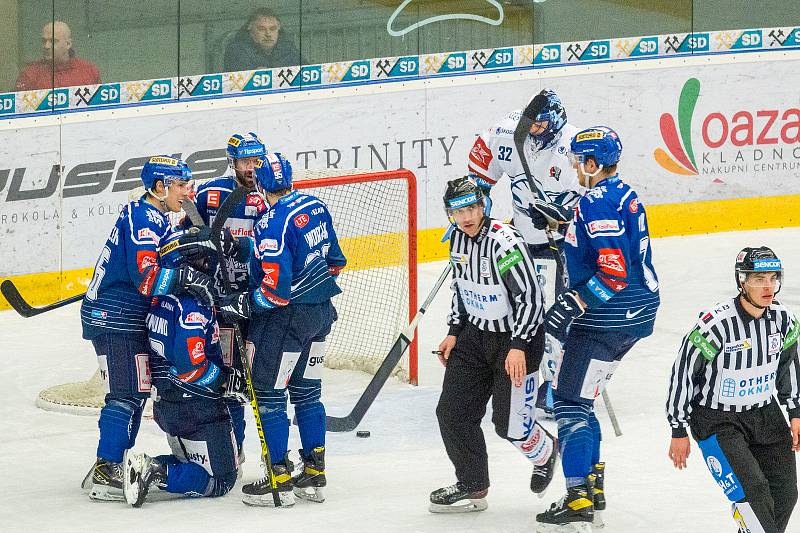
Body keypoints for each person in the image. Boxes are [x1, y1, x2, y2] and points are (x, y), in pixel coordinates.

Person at [536, 126, 660, 532]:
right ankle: (593, 488)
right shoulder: (621, 193)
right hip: (635, 314)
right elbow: (605, 246)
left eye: (578, 162)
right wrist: (563, 228)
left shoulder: (595, 202)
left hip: (607, 317)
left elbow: (614, 272)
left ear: (592, 164)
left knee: (569, 402)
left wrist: (573, 303)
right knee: (582, 397)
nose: (574, 168)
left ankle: (577, 499)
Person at [80, 156, 215, 502]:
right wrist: (188, 278)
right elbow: (147, 278)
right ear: (159, 187)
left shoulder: (154, 217)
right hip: (116, 317)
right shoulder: (143, 217)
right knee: (126, 394)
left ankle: (107, 463)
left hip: (121, 314)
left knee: (134, 393)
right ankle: (105, 468)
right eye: (181, 186)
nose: (188, 192)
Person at [217, 152, 346, 507]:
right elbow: (336, 262)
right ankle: (314, 474)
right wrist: (249, 250)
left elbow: (275, 292)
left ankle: (279, 480)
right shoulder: (315, 206)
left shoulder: (271, 222)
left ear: (261, 183)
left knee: (270, 395)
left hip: (284, 324)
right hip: (320, 317)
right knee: (307, 394)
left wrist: (242, 305)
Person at [430, 175, 557, 514]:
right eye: (459, 212)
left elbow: (529, 297)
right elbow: (461, 287)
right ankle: (473, 483)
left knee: (510, 426)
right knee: (452, 413)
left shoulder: (504, 243)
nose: (467, 217)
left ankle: (546, 451)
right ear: (450, 215)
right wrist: (454, 331)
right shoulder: (456, 239)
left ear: (483, 206)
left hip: (517, 339)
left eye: (472, 208)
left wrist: (517, 345)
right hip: (474, 336)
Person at [666, 246, 800, 533]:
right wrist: (678, 428)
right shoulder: (715, 325)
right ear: (742, 281)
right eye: (759, 279)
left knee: (786, 494)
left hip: (766, 414)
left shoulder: (784, 320)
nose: (768, 286)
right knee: (753, 495)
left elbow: (788, 367)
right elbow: (683, 373)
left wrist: (796, 412)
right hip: (718, 420)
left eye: (773, 278)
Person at [467, 89, 583, 418]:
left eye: (539, 126)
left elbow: (586, 204)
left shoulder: (574, 149)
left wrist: (556, 215)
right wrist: (477, 207)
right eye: (529, 125)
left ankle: (560, 384)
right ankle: (513, 374)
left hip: (562, 244)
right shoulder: (504, 133)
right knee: (509, 310)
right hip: (520, 241)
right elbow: (478, 179)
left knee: (558, 316)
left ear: (556, 122)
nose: (531, 131)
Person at [121, 230, 247, 507]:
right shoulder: (193, 309)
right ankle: (155, 471)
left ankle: (149, 466)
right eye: (208, 261)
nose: (213, 267)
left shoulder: (162, 301)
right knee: (223, 480)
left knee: (188, 461)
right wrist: (225, 381)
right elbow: (190, 368)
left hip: (169, 406)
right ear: (194, 265)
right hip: (197, 408)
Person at [190, 132, 269, 463]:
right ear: (232, 162)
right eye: (245, 161)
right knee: (230, 382)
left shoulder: (274, 194)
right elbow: (189, 236)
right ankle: (234, 451)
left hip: (259, 302)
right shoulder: (211, 194)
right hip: (220, 304)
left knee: (263, 383)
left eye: (257, 161)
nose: (251, 168)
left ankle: (275, 452)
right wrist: (198, 241)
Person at [15, 20, 100, 91]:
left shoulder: (89, 71)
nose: (46, 46)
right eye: (44, 41)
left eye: (53, 41)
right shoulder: (30, 75)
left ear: (68, 44)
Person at [223, 8, 306, 72]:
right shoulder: (236, 50)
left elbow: (307, 71)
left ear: (278, 30)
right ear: (250, 29)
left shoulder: (288, 47)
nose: (268, 34)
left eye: (273, 29)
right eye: (262, 29)